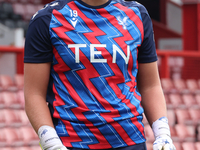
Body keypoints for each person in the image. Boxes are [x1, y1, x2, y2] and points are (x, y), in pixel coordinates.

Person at [24, 0, 176, 150]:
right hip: (70, 142)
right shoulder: (47, 18)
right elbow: (34, 94)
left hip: (131, 140)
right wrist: (50, 142)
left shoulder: (137, 15)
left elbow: (150, 86)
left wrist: (163, 133)